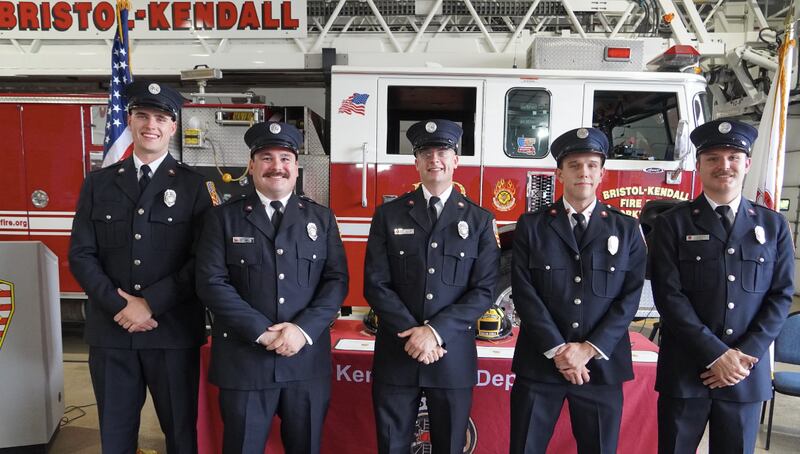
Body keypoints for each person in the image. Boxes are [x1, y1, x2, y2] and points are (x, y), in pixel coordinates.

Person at [69, 80, 214, 453]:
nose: (151, 125)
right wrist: (122, 306)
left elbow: (203, 260)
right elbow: (81, 254)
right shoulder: (98, 184)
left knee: (182, 435)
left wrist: (150, 304)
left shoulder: (195, 187)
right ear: (130, 121)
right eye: (143, 116)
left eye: (161, 118)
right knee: (115, 436)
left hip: (172, 333)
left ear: (173, 127)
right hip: (112, 332)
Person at [195, 121, 348, 454]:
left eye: (285, 158)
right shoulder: (222, 219)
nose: (276, 166)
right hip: (244, 362)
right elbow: (211, 282)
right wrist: (262, 332)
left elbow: (336, 281)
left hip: (304, 362)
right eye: (266, 158)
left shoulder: (321, 219)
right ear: (251, 166)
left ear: (296, 167)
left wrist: (302, 330)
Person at [650, 118, 795, 454]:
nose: (724, 165)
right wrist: (716, 355)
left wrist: (742, 357)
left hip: (745, 374)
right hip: (686, 372)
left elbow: (781, 296)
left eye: (733, 157)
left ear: (747, 164)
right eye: (713, 158)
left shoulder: (773, 225)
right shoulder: (672, 224)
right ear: (699, 165)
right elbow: (669, 297)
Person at [364, 119, 500, 454]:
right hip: (398, 355)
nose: (434, 159)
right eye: (426, 153)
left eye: (442, 152)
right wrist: (415, 335)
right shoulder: (389, 215)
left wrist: (434, 333)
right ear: (416, 162)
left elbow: (483, 290)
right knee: (391, 447)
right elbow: (376, 284)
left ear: (456, 160)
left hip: (451, 357)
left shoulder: (479, 220)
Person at [509, 127, 647, 453]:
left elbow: (629, 297)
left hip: (600, 366)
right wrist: (560, 350)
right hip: (541, 363)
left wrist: (587, 349)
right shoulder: (532, 225)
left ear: (602, 173)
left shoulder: (626, 228)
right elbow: (524, 292)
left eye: (591, 165)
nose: (583, 172)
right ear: (559, 174)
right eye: (574, 165)